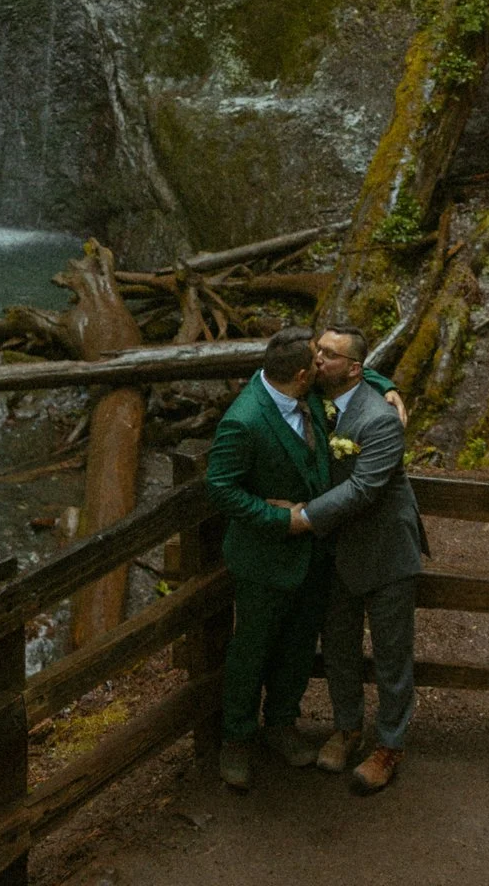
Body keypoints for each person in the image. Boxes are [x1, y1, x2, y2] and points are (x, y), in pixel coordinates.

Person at [205, 326, 403, 792]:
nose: (322, 366)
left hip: (313, 555)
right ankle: (236, 739)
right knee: (251, 651)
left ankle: (280, 724)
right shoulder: (244, 420)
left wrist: (387, 387)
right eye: (316, 361)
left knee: (297, 646)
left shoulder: (309, 394)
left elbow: (354, 371)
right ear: (300, 374)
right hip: (264, 558)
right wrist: (280, 522)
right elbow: (220, 489)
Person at [285, 324, 428, 796]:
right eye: (318, 349)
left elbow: (364, 489)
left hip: (385, 547)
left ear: (354, 369)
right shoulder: (318, 397)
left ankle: (390, 744)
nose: (318, 358)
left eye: (330, 354)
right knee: (340, 643)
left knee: (391, 652)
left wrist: (304, 518)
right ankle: (347, 727)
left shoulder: (379, 420)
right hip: (338, 548)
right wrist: (389, 383)